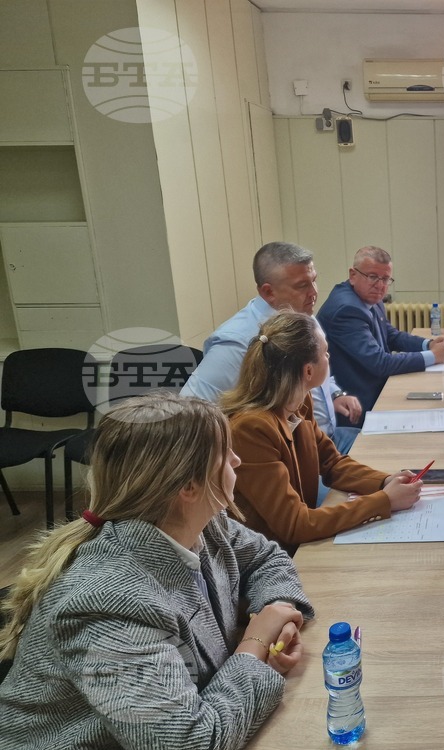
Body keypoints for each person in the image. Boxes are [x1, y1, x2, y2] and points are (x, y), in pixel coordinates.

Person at [0, 393, 312, 749]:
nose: (237, 460)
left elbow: (266, 558)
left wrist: (276, 613)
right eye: (225, 453)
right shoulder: (105, 603)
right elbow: (189, 743)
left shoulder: (204, 524)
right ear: (189, 487)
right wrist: (255, 645)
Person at [222, 311, 422, 552]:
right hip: (267, 556)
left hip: (294, 543)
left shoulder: (298, 400)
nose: (329, 357)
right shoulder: (250, 429)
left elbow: (332, 463)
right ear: (308, 371)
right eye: (325, 352)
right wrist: (384, 501)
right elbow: (294, 524)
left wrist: (385, 481)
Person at [182, 241, 363, 454]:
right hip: (284, 457)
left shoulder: (301, 314)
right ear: (268, 292)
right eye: (302, 286)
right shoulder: (237, 342)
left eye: (314, 281)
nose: (314, 292)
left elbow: (315, 371)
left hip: (324, 439)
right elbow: (188, 414)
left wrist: (335, 393)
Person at [316, 246, 444, 418]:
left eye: (386, 279)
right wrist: (433, 356)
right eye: (372, 277)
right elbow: (380, 363)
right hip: (357, 403)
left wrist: (428, 344)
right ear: (353, 275)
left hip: (376, 386)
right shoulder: (347, 309)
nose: (380, 285)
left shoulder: (368, 295)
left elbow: (391, 335)